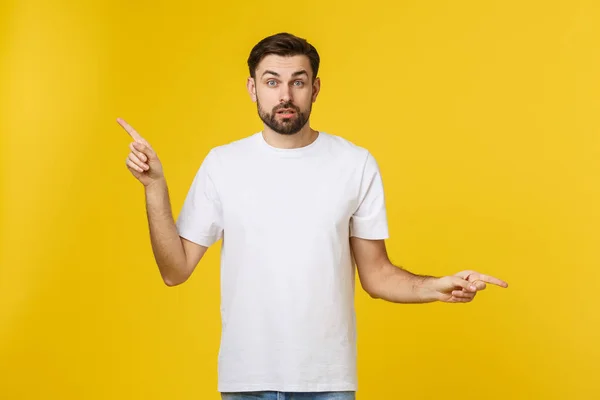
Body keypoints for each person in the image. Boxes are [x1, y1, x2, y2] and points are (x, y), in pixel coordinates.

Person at [118, 32, 508, 400]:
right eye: (272, 82)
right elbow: (175, 270)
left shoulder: (355, 164)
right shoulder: (223, 164)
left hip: (328, 381)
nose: (285, 95)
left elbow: (376, 276)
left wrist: (435, 287)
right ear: (252, 88)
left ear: (315, 88)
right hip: (248, 379)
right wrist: (154, 186)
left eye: (298, 82)